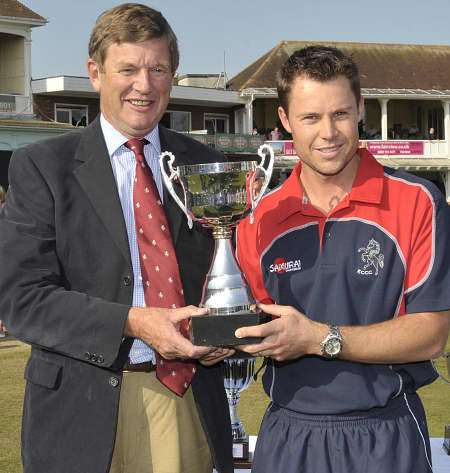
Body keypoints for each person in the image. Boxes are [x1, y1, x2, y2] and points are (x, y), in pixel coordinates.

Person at [0, 4, 233, 473]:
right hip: (78, 410)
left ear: (172, 75)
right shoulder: (43, 168)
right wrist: (133, 321)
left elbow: (233, 275)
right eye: (127, 68)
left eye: (158, 69)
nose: (143, 85)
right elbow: (20, 299)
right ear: (96, 72)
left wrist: (229, 328)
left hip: (182, 397)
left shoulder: (207, 166)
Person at [235, 46, 450, 473]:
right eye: (310, 118)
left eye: (341, 114)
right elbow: (247, 325)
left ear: (361, 110)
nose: (328, 133)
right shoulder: (258, 217)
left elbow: (432, 335)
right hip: (289, 436)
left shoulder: (418, 202)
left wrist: (318, 338)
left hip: (385, 433)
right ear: (284, 121)